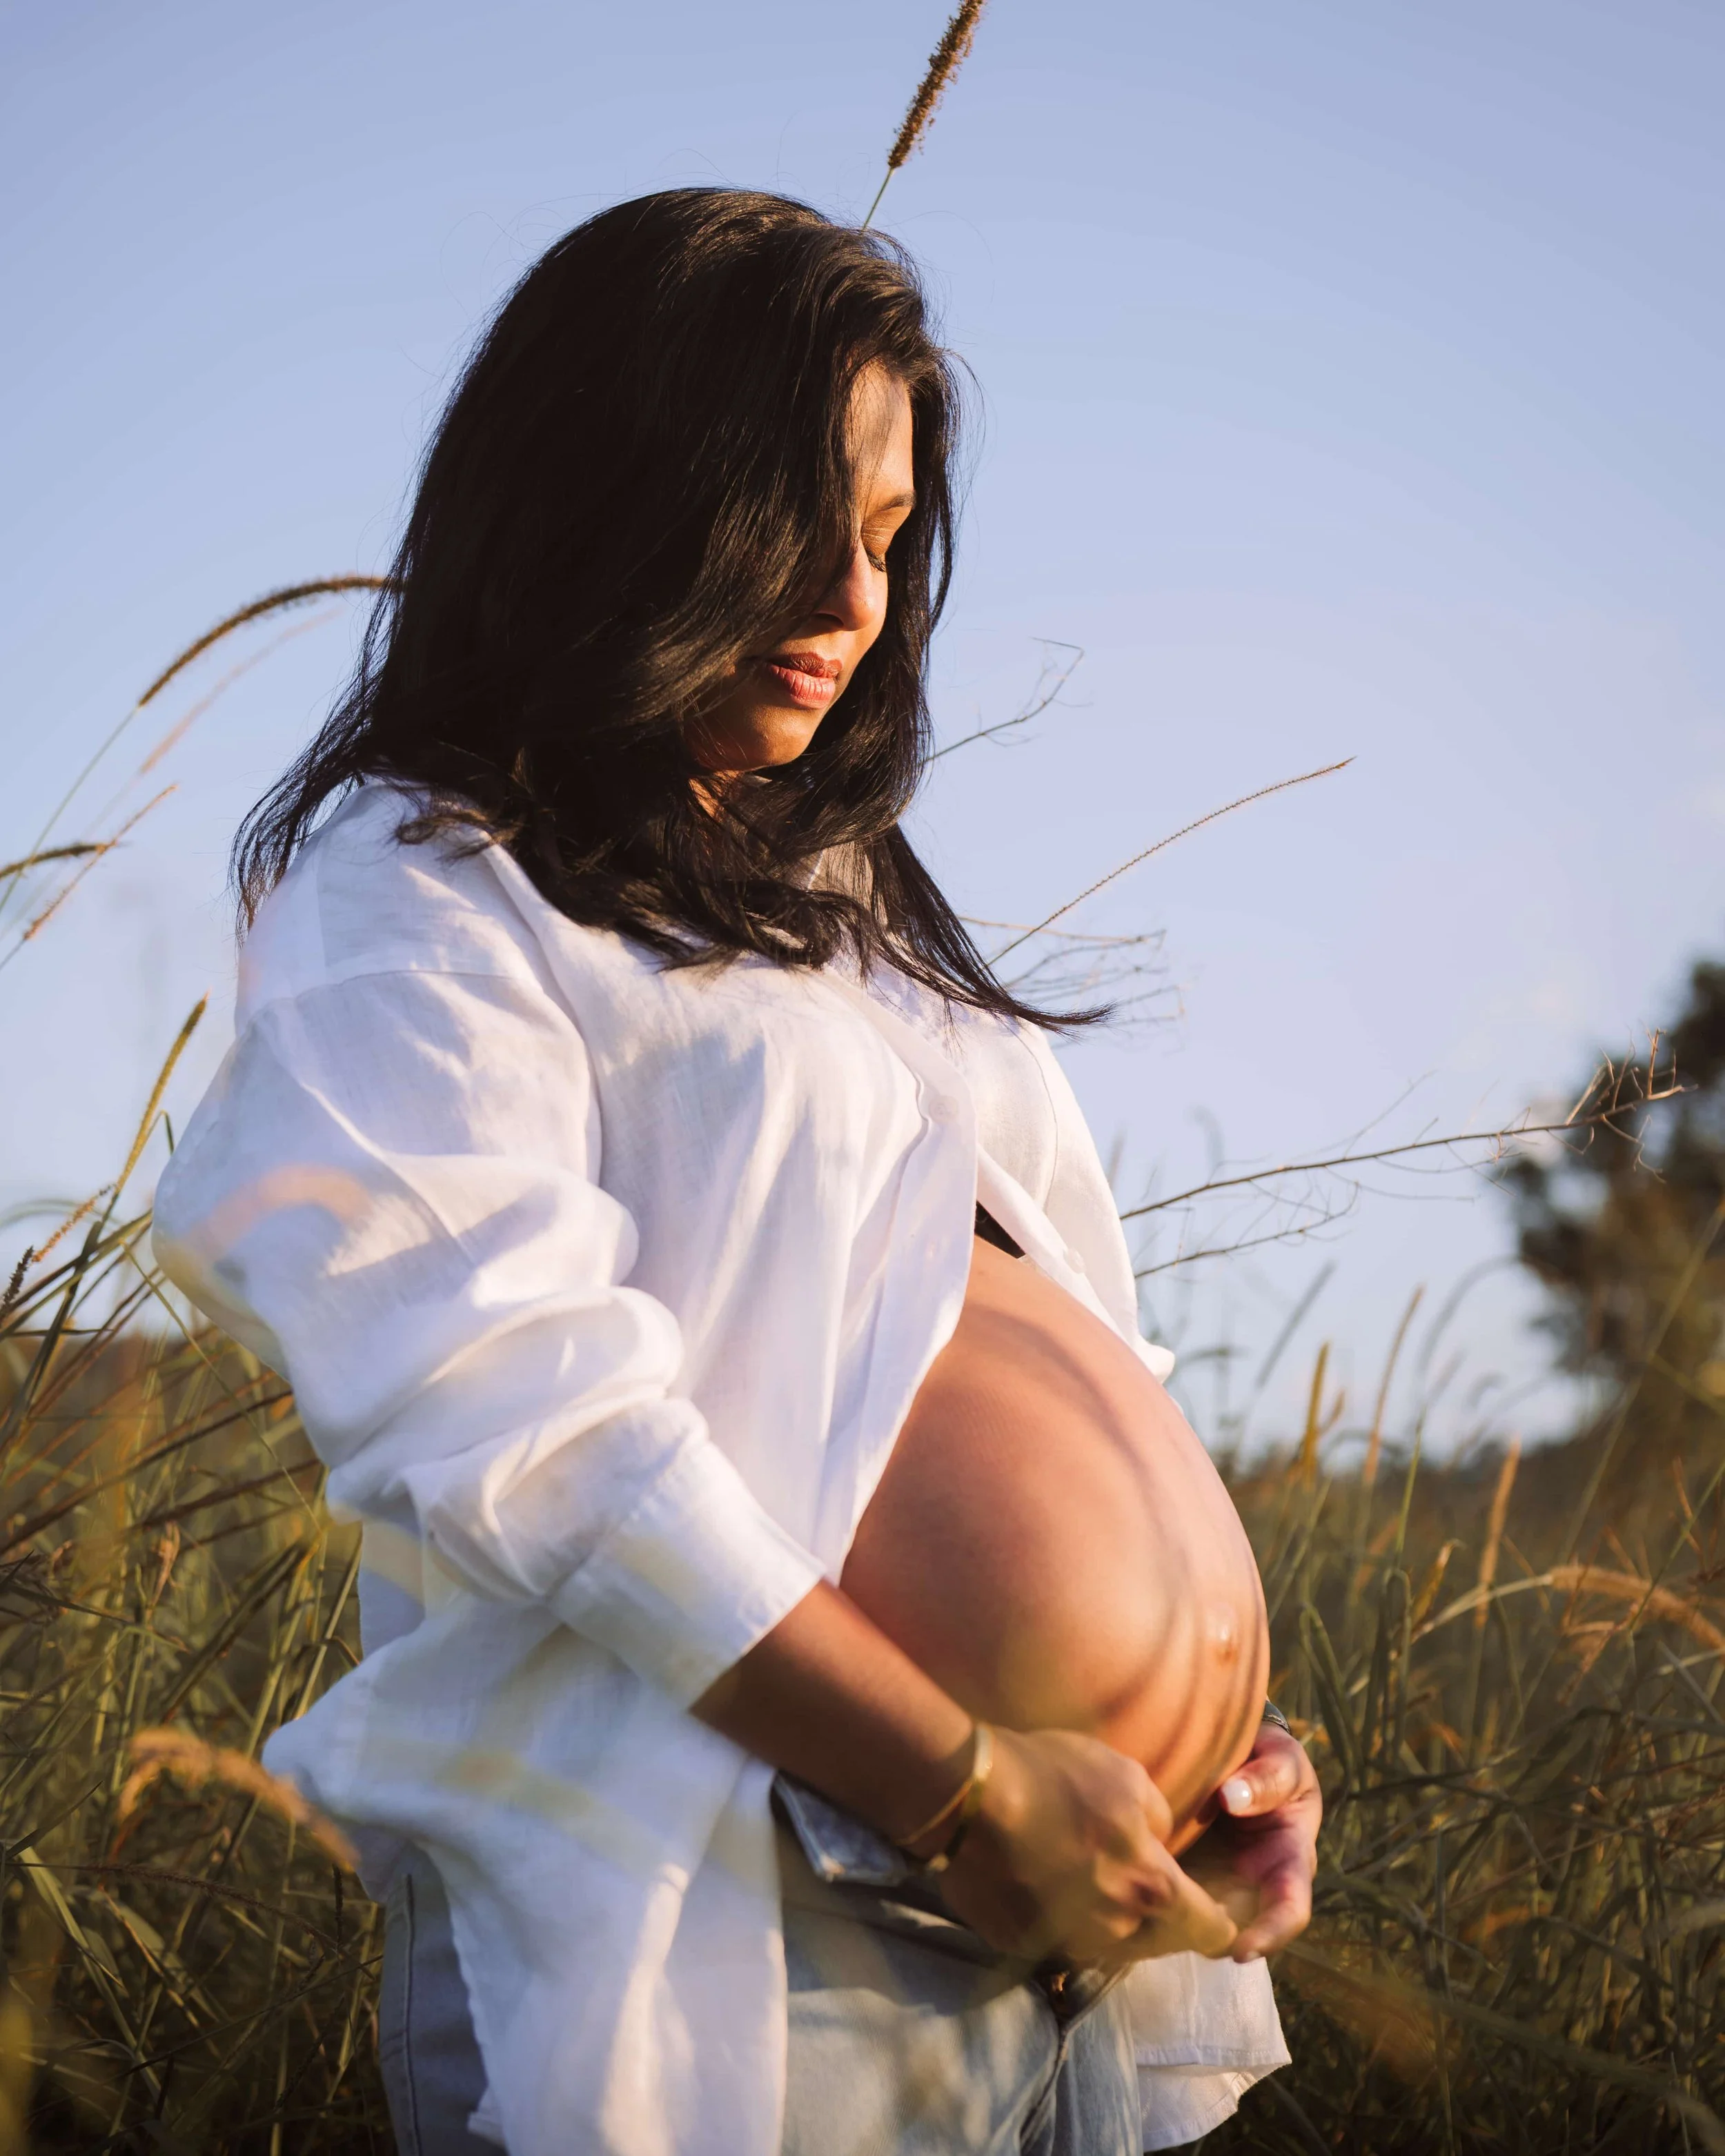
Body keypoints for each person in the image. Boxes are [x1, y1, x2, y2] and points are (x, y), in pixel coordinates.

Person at [152, 188, 1319, 2156]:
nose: (855, 600)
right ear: (617, 496)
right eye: (793, 521)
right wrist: (960, 1783)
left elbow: (1036, 1336)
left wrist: (1217, 1749)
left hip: (1085, 1929)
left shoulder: (848, 907)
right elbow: (527, 1426)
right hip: (766, 1917)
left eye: (886, 535)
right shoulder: (423, 880)